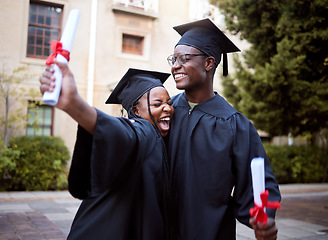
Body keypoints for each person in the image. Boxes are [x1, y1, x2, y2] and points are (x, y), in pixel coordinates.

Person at [165, 18, 281, 240]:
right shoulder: (165, 112)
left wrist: (263, 218)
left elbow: (260, 182)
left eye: (184, 59)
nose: (175, 65)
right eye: (173, 59)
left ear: (209, 63)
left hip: (210, 232)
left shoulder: (235, 125)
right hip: (159, 230)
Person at [39, 62, 178, 240]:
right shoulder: (143, 130)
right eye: (158, 103)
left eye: (169, 103)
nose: (167, 108)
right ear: (135, 110)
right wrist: (74, 104)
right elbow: (120, 131)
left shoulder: (159, 137)